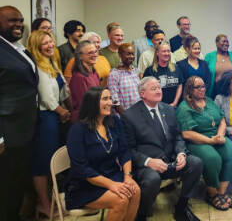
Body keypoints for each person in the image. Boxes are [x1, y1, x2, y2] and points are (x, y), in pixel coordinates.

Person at [121, 77, 203, 221]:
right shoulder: (129, 116)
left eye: (159, 88)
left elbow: (178, 136)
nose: (159, 91)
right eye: (153, 88)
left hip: (171, 160)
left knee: (196, 163)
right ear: (142, 93)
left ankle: (182, 207)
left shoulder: (169, 109)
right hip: (148, 165)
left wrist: (181, 153)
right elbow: (127, 149)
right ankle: (141, 214)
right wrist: (148, 161)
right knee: (151, 179)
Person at [65, 87, 140, 221]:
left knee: (135, 191)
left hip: (112, 174)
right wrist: (111, 184)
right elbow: (81, 168)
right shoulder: (78, 130)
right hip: (85, 184)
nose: (110, 102)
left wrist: (128, 176)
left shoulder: (114, 122)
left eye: (110, 98)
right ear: (92, 103)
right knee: (121, 200)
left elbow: (124, 151)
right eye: (105, 99)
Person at [26, 30, 71, 218]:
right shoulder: (39, 67)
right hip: (46, 120)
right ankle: (44, 205)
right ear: (36, 47)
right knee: (42, 165)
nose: (50, 45)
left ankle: (52, 201)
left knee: (53, 163)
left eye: (51, 42)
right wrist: (62, 112)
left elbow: (62, 91)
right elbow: (46, 98)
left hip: (55, 118)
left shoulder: (52, 63)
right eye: (45, 43)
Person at [176, 76, 232, 211]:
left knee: (231, 151)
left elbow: (222, 120)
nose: (202, 89)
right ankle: (212, 194)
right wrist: (211, 141)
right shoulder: (184, 107)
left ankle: (222, 192)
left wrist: (220, 135)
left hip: (216, 136)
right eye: (197, 87)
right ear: (189, 89)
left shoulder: (209, 101)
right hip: (197, 140)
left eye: (203, 86)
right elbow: (187, 133)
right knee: (212, 158)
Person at [0, 6, 38, 221]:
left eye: (21, 20)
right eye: (12, 21)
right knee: (5, 188)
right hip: (7, 133)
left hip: (24, 130)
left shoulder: (17, 48)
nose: (18, 24)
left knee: (16, 185)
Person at [143, 41, 183, 107]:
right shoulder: (149, 71)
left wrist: (175, 103)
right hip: (157, 106)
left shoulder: (176, 67)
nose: (167, 53)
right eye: (164, 51)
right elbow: (146, 90)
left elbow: (180, 86)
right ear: (157, 53)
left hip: (175, 106)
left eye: (168, 51)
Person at [205, 34, 232, 98]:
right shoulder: (209, 57)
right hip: (214, 91)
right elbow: (204, 74)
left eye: (227, 42)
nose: (226, 43)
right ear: (217, 43)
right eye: (223, 41)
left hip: (231, 91)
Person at [69, 40, 100, 122]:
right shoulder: (78, 77)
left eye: (95, 51)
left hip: (95, 117)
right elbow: (84, 104)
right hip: (85, 120)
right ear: (80, 56)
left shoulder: (94, 73)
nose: (95, 55)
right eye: (90, 53)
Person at [107, 43, 141, 115]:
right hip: (124, 115)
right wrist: (126, 116)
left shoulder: (136, 71)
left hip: (139, 112)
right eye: (128, 54)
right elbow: (114, 100)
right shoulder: (114, 74)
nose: (131, 56)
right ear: (120, 55)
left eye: (132, 54)